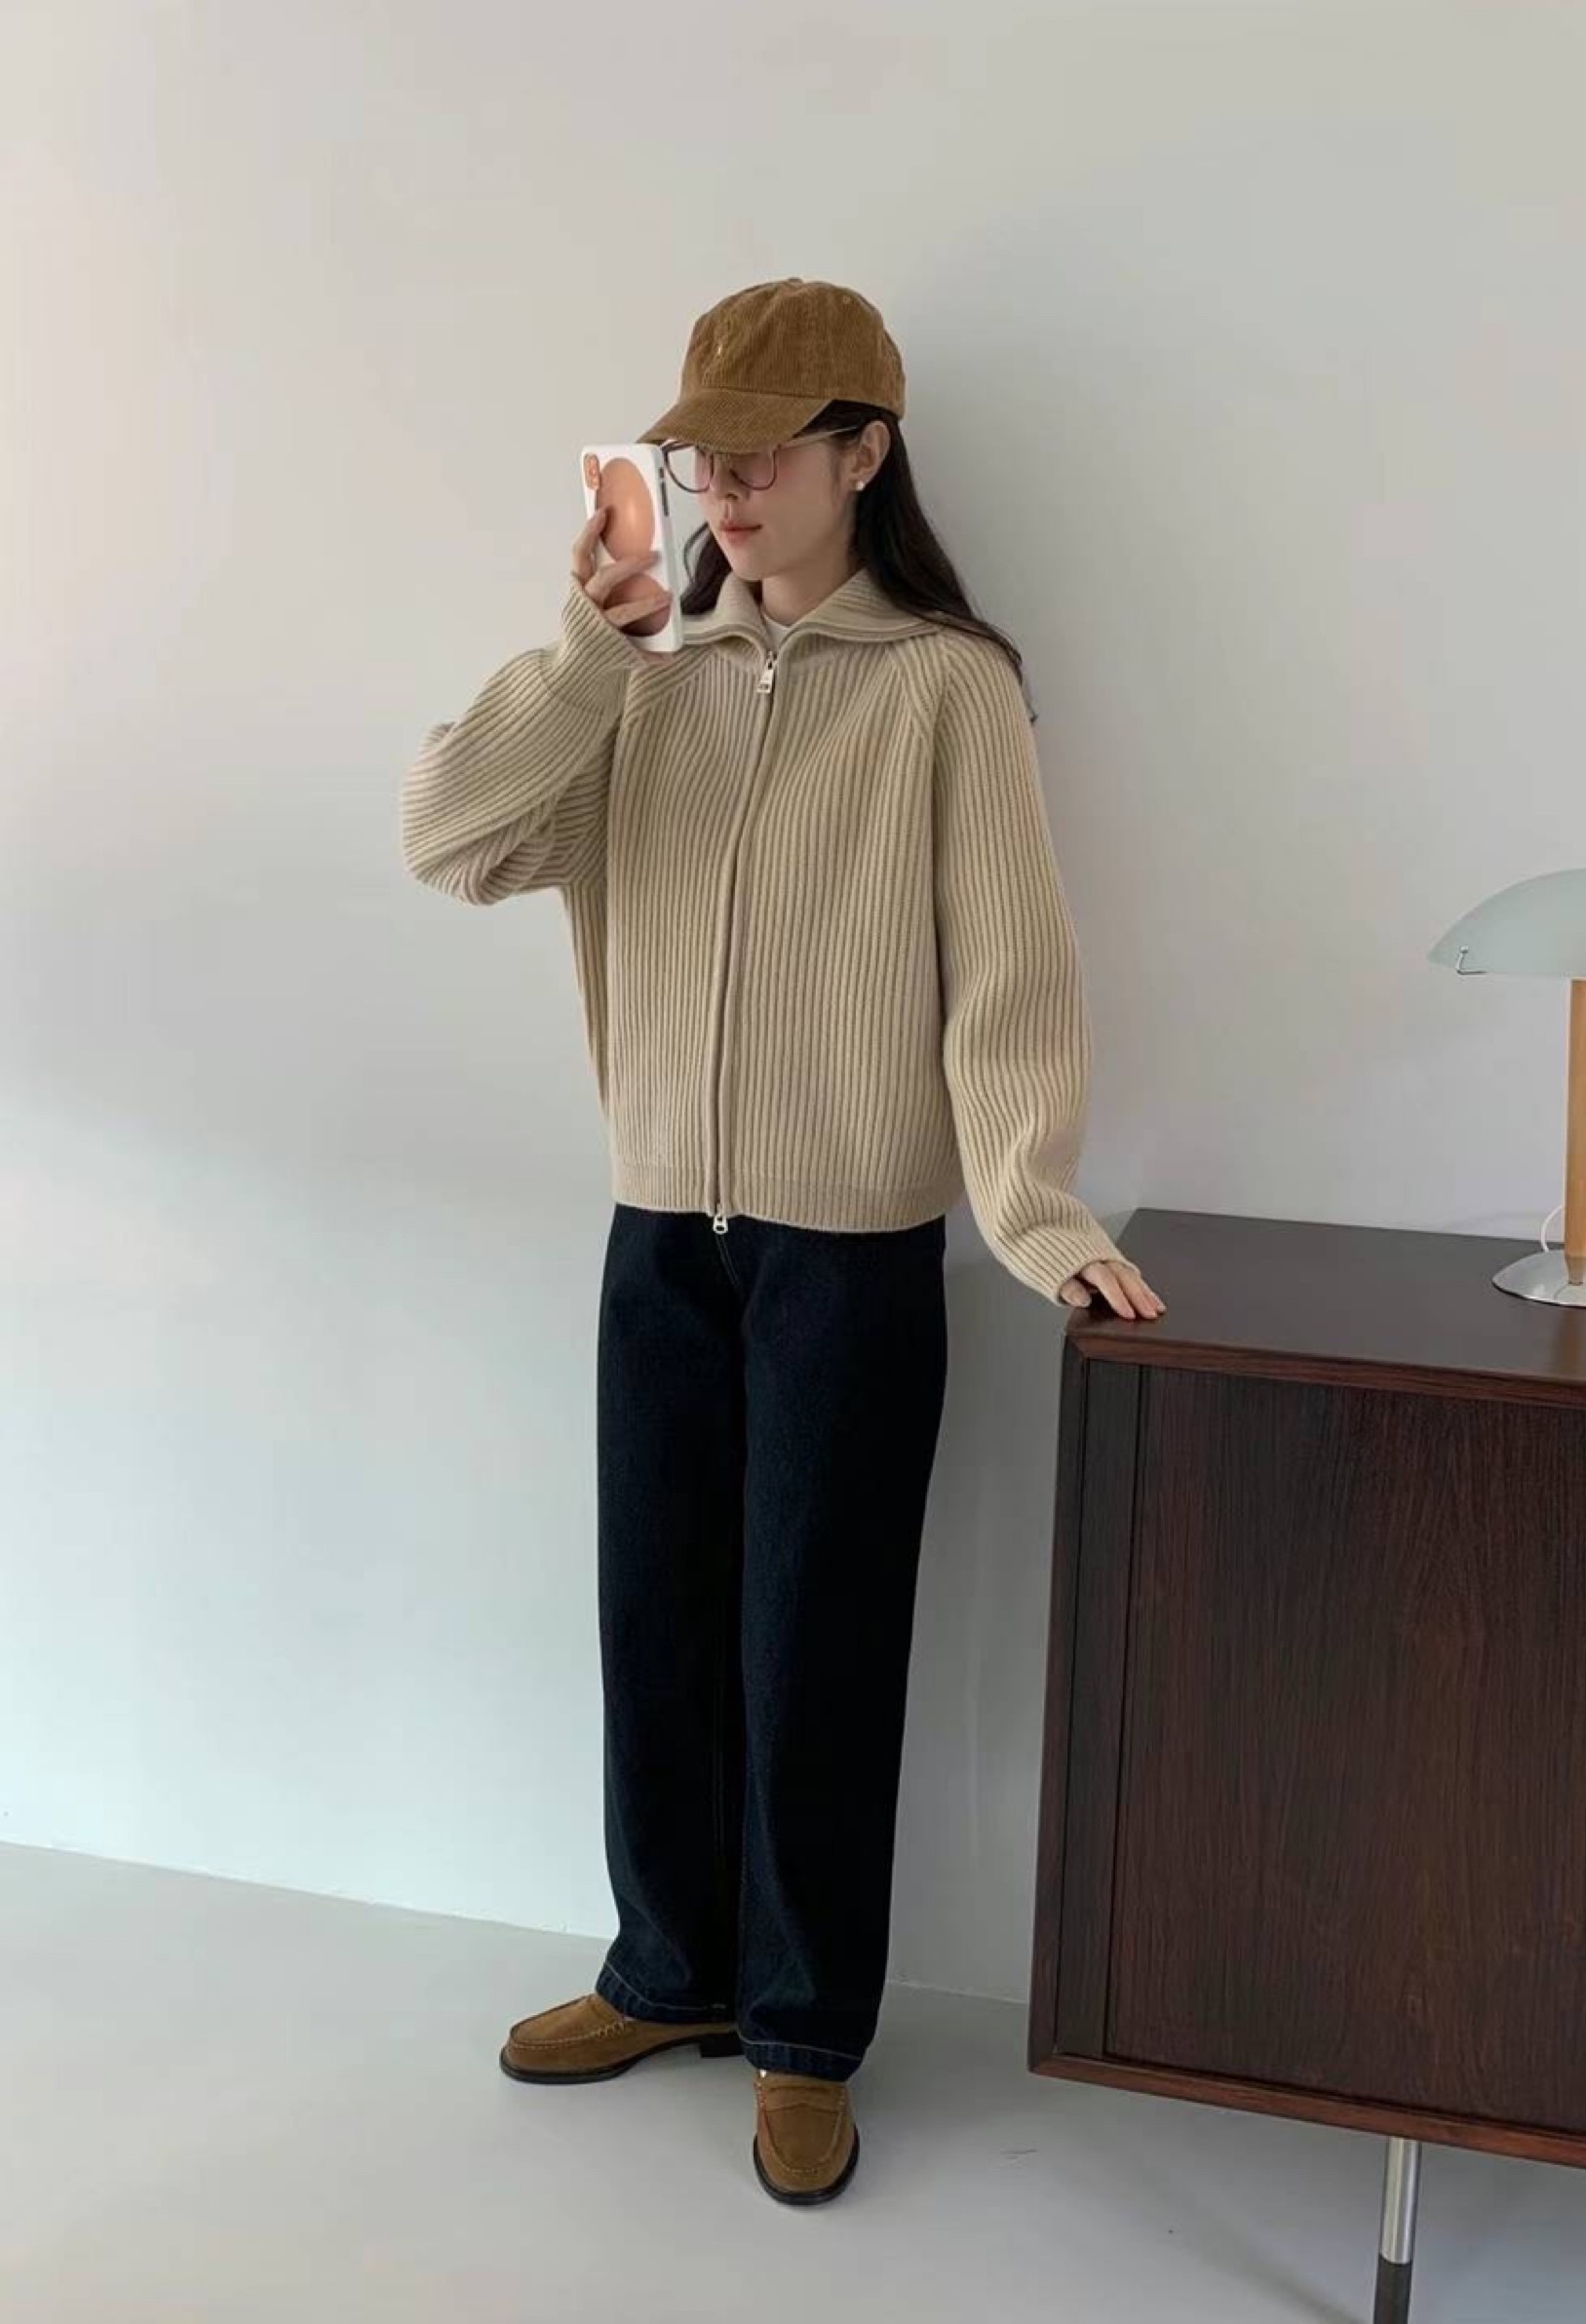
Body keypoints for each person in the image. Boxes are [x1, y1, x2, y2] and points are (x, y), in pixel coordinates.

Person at [399, 276, 1165, 2207]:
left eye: (765, 450)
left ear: (865, 453)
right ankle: (667, 1974)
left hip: (850, 1253)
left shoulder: (944, 688)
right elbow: (449, 842)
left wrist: (1034, 1208)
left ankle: (805, 2031)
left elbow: (1009, 975)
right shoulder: (639, 687)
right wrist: (591, 649)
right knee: (654, 1626)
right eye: (701, 456)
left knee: (815, 1651)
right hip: (662, 1232)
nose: (726, 485)